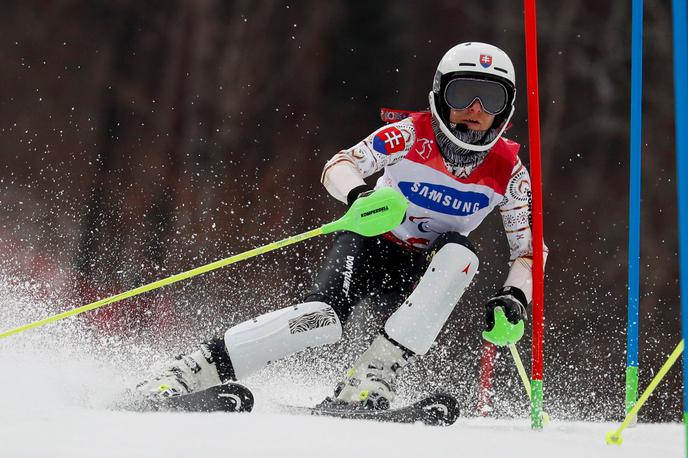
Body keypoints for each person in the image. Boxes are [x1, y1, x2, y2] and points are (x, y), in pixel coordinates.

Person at [136, 42, 548, 410]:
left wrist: (514, 297)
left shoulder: (510, 174)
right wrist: (360, 197)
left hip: (424, 269)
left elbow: (530, 249)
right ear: (440, 96)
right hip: (370, 240)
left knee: (461, 254)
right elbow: (341, 163)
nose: (475, 109)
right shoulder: (408, 135)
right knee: (322, 319)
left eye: (490, 98)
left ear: (505, 110)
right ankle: (192, 370)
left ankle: (369, 380)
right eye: (462, 94)